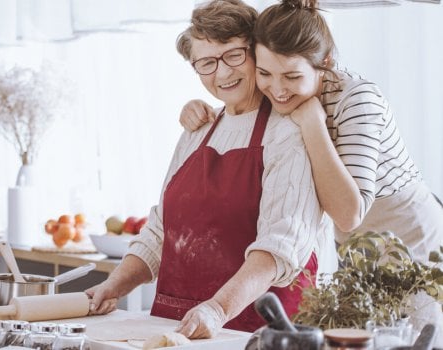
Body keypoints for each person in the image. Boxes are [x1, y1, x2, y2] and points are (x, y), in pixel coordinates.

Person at [179, 0, 443, 338]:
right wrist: (198, 109)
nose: (276, 88)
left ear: (326, 63)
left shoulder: (358, 99)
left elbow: (349, 213)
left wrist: (313, 123)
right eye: (264, 73)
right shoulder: (284, 92)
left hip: (408, 235)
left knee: (414, 339)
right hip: (350, 245)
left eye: (291, 76)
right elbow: (240, 104)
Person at [86, 0, 325, 339]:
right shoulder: (198, 128)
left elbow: (279, 248)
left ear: (257, 51)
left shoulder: (288, 132)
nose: (223, 73)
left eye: (234, 55)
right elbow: (160, 231)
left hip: (257, 332)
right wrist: (113, 286)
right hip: (177, 328)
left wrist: (218, 308)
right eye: (207, 62)